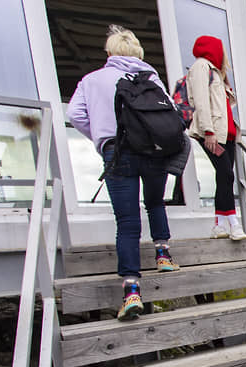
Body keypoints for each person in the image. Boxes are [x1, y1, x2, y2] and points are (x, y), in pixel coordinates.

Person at [67, 25, 180, 321]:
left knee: (127, 223)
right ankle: (163, 254)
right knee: (155, 202)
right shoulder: (151, 77)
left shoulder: (92, 80)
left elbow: (75, 115)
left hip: (118, 151)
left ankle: (131, 291)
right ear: (138, 52)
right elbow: (169, 114)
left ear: (109, 52)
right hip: (154, 150)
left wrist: (102, 136)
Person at [186, 35, 246, 241]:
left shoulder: (216, 73)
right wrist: (208, 131)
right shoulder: (201, 67)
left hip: (226, 133)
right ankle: (234, 223)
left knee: (224, 176)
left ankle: (219, 225)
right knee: (226, 174)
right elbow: (201, 101)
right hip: (213, 134)